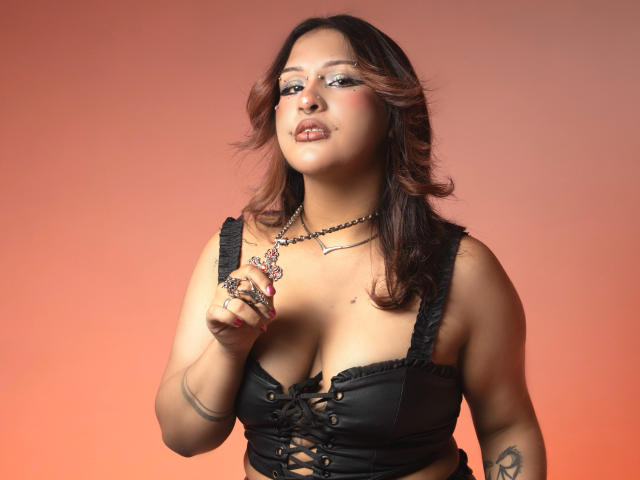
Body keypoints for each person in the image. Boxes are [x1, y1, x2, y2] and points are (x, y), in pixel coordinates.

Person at [154, 15, 546, 480]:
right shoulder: (236, 250)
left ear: (392, 109)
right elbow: (183, 438)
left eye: (340, 80)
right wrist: (228, 348)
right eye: (290, 86)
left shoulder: (463, 270)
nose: (307, 99)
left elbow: (507, 428)